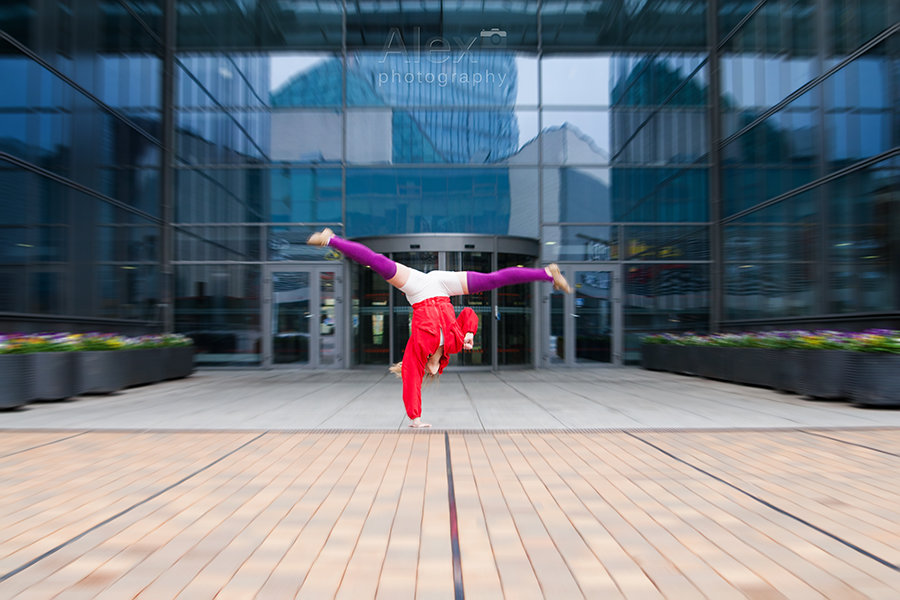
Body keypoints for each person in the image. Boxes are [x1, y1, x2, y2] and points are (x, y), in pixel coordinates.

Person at [307, 228, 572, 427]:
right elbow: (468, 313)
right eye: (435, 368)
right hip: (441, 290)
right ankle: (548, 275)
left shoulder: (417, 351)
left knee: (380, 263)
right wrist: (469, 333)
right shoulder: (454, 345)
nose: (433, 367)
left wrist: (414, 418)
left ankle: (548, 274)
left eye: (430, 368)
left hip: (420, 290)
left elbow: (411, 381)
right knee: (491, 281)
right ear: (439, 367)